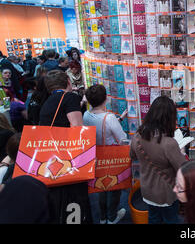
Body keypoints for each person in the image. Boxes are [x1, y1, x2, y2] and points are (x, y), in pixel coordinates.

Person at [39, 69, 91, 224]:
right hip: (68, 160)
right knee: (76, 199)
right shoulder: (69, 97)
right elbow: (77, 128)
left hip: (53, 159)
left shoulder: (48, 102)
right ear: (68, 81)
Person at [130, 96, 187, 224]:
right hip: (166, 192)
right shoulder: (169, 143)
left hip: (147, 190)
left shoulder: (138, 137)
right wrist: (181, 151)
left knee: (153, 218)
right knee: (170, 219)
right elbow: (183, 168)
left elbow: (133, 156)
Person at [83, 85, 128, 224]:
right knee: (114, 187)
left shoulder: (86, 114)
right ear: (105, 98)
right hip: (111, 157)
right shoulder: (109, 118)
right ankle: (112, 217)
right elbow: (122, 139)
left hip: (95, 155)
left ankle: (103, 217)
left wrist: (119, 119)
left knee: (101, 186)